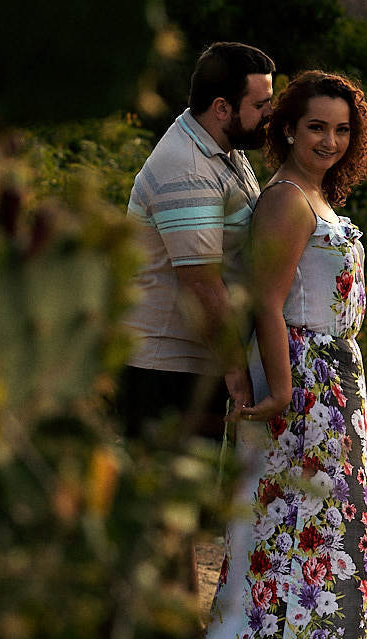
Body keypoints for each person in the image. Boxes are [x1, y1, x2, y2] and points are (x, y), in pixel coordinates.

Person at [204, 71, 367, 639]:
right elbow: (268, 303)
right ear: (287, 129)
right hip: (301, 378)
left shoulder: (316, 194)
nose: (330, 141)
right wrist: (279, 390)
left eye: (342, 130)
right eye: (316, 127)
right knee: (289, 520)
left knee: (324, 522)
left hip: (334, 378)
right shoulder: (285, 198)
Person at [120, 42, 275, 444]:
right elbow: (201, 283)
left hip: (195, 363)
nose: (269, 114)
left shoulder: (222, 148)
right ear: (222, 108)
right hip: (165, 370)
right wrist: (237, 372)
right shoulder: (187, 167)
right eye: (260, 105)